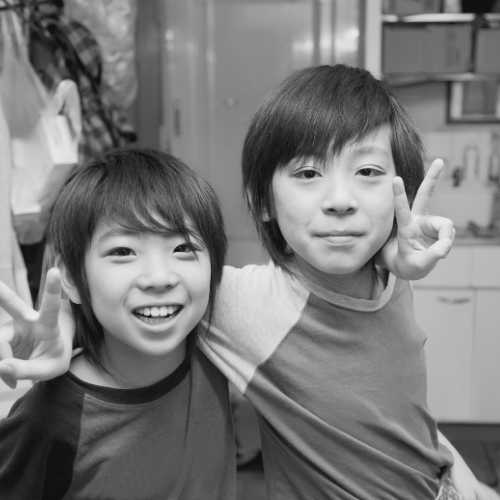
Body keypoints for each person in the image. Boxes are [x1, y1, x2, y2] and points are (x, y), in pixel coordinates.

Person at [0, 65, 492, 500]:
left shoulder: (394, 275)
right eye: (308, 172)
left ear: (400, 189)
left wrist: (455, 471)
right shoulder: (241, 302)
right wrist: (67, 320)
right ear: (262, 201)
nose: (341, 199)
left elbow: (395, 410)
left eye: (367, 170)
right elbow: (139, 292)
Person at [0, 148, 235, 499]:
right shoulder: (47, 418)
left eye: (183, 248)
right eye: (123, 251)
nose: (159, 278)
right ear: (72, 277)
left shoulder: (220, 342)